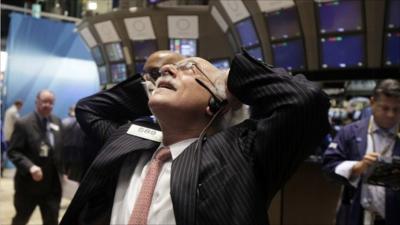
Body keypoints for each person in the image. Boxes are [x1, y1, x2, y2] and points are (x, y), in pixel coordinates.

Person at [60, 50, 330, 225]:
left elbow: (305, 101)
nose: (166, 70)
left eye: (188, 68)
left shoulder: (243, 153)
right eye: (164, 72)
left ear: (216, 103)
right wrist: (154, 89)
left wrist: (232, 79)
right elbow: (90, 109)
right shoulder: (130, 139)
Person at [323, 79, 400, 225]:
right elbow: (328, 168)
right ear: (372, 103)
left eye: (396, 109)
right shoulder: (349, 133)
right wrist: (356, 167)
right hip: (356, 215)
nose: (391, 114)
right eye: (385, 108)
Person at [8, 90, 64, 225]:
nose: (48, 105)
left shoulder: (57, 121)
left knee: (52, 221)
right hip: (28, 186)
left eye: (51, 102)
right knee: (21, 220)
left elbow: (60, 150)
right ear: (37, 102)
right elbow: (14, 152)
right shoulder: (23, 123)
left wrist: (65, 171)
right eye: (44, 101)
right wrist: (30, 166)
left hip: (52, 186)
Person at [2, 100, 23, 176]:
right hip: (11, 136)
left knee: (7, 153)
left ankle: (2, 168)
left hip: (6, 135)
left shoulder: (9, 110)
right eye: (21, 107)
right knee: (12, 153)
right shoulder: (14, 111)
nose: (21, 108)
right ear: (18, 105)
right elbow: (19, 122)